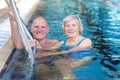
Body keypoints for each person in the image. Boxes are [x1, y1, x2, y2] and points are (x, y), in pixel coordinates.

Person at [36, 15, 96, 79]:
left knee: (61, 63)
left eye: (74, 25)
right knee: (42, 69)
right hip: (68, 61)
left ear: (79, 27)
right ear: (64, 29)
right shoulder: (63, 42)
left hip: (81, 60)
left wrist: (51, 54)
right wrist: (38, 46)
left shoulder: (86, 41)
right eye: (67, 26)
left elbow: (71, 50)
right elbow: (50, 49)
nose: (70, 28)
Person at [8, 8, 62, 79]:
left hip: (52, 61)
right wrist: (13, 20)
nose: (39, 30)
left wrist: (40, 48)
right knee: (42, 68)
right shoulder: (28, 42)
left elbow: (59, 55)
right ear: (31, 29)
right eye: (36, 27)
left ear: (48, 30)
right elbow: (17, 45)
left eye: (43, 27)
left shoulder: (54, 42)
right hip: (38, 65)